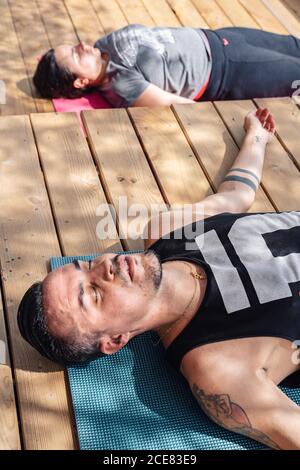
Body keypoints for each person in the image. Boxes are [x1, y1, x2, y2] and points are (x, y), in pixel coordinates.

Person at [18, 108, 300, 450]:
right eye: (93, 294)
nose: (106, 267)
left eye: (88, 264)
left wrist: (257, 137)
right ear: (116, 340)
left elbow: (236, 196)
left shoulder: (168, 231)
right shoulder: (217, 369)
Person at [33, 24, 300, 107]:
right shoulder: (121, 85)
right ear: (80, 81)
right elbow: (176, 104)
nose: (81, 44)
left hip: (220, 37)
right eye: (76, 55)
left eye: (72, 45)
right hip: (230, 71)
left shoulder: (102, 43)